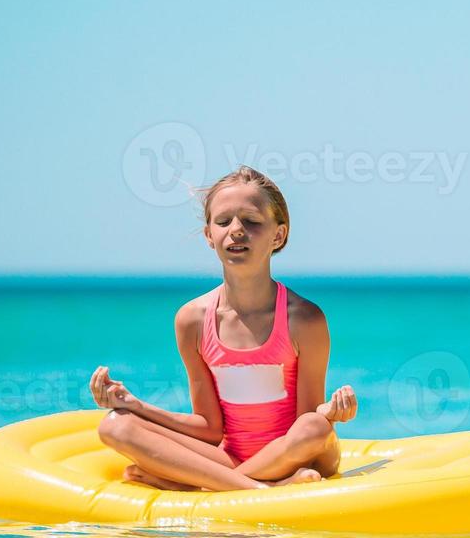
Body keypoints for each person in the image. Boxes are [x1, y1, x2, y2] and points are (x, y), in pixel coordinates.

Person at [90, 165, 357, 490]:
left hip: (295, 454)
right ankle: (262, 488)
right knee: (115, 426)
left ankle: (200, 485)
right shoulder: (193, 320)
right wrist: (135, 405)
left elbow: (306, 422)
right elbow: (209, 429)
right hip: (230, 458)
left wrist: (331, 412)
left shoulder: (303, 318)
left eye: (252, 221)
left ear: (278, 235)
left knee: (315, 427)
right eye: (223, 221)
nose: (236, 230)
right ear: (209, 235)